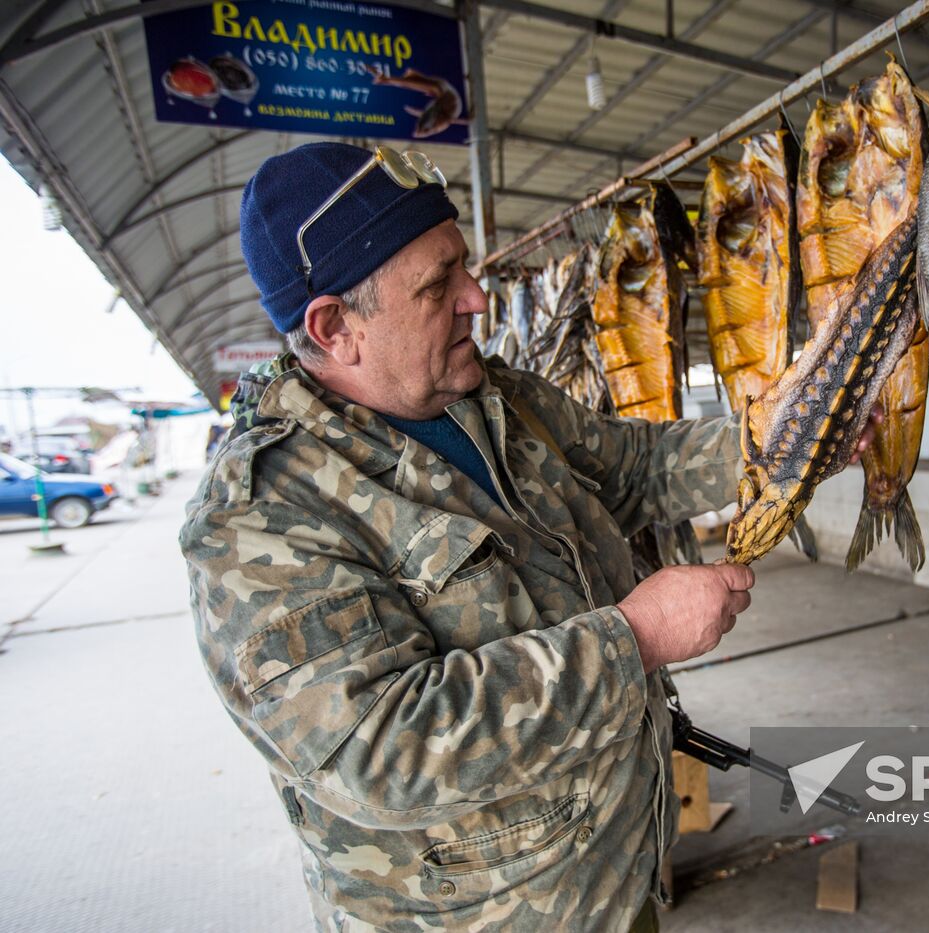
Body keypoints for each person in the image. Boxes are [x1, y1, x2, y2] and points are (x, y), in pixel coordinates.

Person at [181, 142, 874, 932]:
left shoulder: (495, 396)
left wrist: (775, 445)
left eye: (463, 267)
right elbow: (379, 750)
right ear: (336, 326)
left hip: (616, 877)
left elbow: (634, 467)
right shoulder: (261, 517)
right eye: (439, 284)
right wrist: (633, 638)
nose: (477, 297)